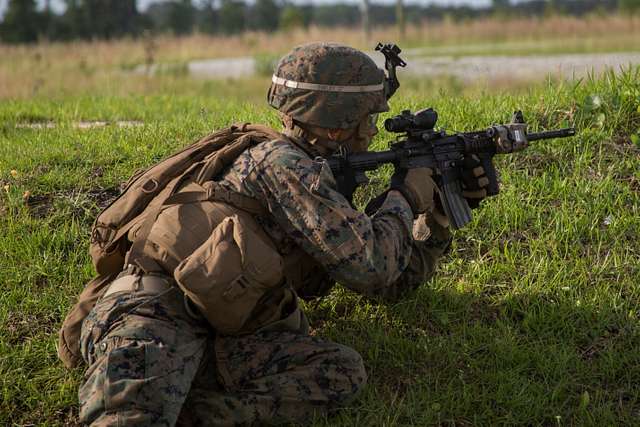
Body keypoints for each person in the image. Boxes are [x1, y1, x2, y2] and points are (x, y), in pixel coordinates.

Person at [71, 43, 488, 426]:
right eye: (369, 119)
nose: (374, 133)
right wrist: (404, 197)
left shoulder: (315, 175)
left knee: (340, 371)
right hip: (152, 316)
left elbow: (389, 285)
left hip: (223, 332)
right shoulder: (282, 166)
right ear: (339, 126)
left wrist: (437, 220)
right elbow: (372, 267)